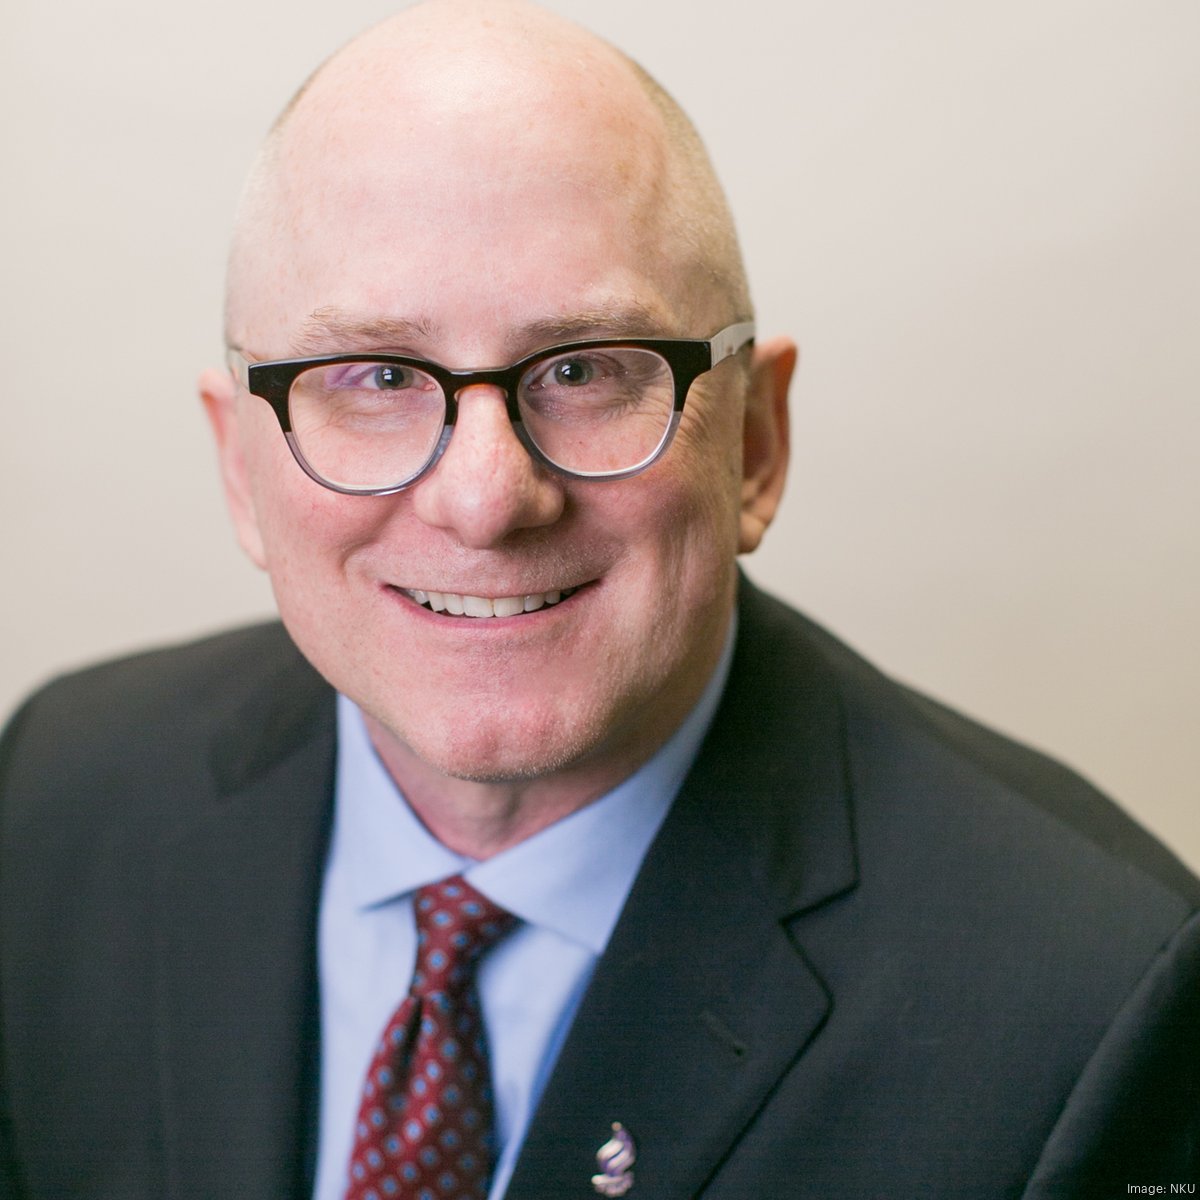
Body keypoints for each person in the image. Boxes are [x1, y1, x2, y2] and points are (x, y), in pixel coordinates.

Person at [0, 1, 1196, 1197]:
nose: (486, 500)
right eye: (373, 376)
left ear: (756, 442)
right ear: (238, 467)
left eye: (584, 370)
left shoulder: (1093, 1004)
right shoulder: (53, 801)